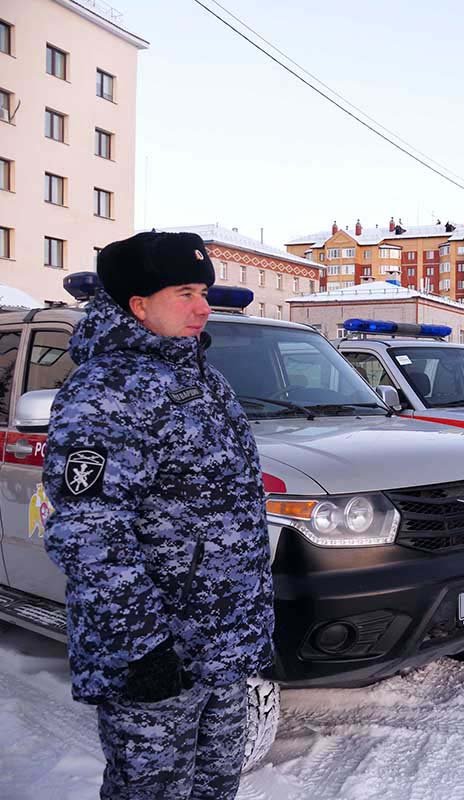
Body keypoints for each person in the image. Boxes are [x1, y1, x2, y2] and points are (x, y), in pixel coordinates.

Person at [42, 231, 274, 800]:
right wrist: (141, 648)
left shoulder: (205, 381)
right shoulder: (104, 391)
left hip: (218, 645)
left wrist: (250, 622)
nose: (202, 306)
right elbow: (86, 531)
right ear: (137, 304)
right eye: (184, 292)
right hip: (155, 652)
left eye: (204, 291)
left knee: (215, 785)